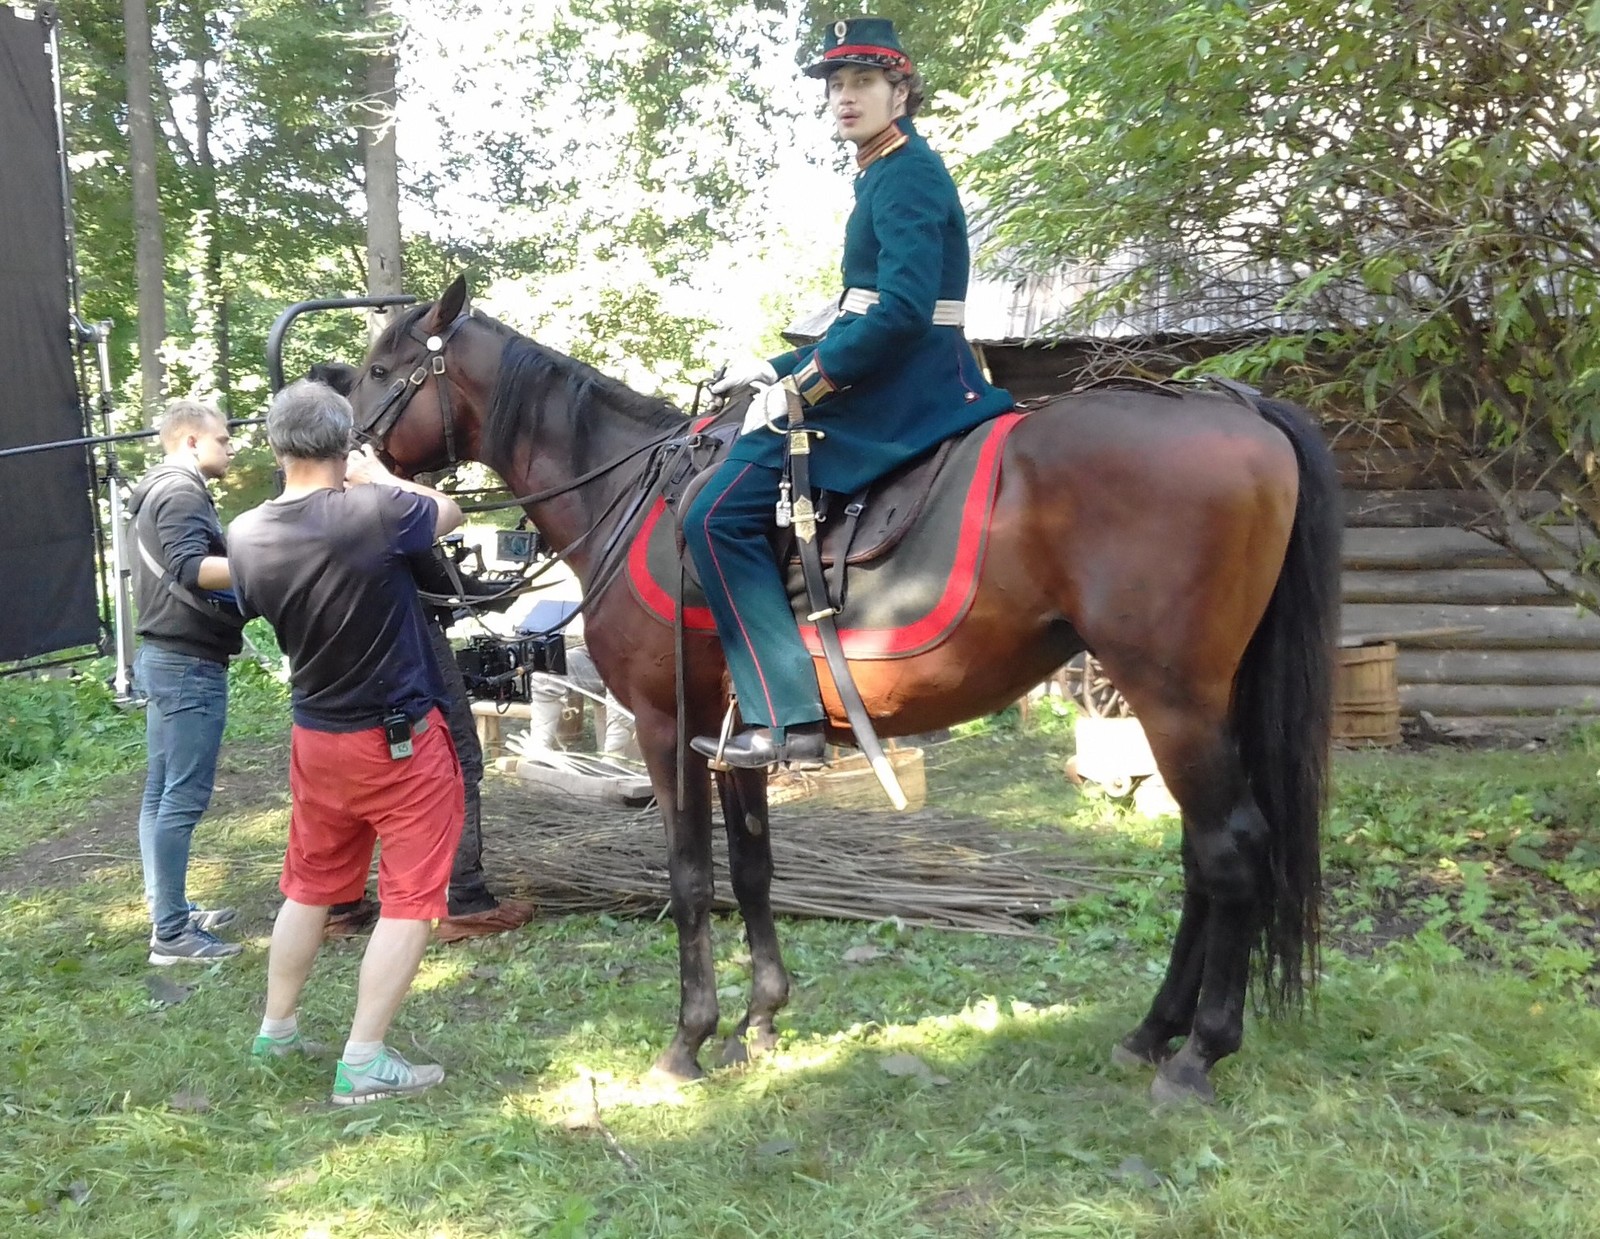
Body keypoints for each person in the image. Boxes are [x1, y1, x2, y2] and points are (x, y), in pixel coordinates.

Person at [685, 17, 1013, 769]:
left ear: (901, 90)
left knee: (712, 513)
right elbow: (861, 309)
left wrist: (804, 381)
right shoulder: (882, 169)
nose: (844, 97)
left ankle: (785, 716)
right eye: (835, 85)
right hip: (892, 364)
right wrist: (771, 367)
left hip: (907, 381)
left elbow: (899, 312)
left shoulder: (907, 173)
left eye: (862, 81)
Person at [228, 379, 465, 1104]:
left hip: (315, 737)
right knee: (410, 897)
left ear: (275, 445)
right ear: (343, 442)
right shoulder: (373, 509)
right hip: (396, 742)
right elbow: (447, 514)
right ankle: (363, 1060)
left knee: (309, 884)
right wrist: (379, 473)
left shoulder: (243, 532)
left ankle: (278, 1028)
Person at [305, 361, 535, 944]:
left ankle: (338, 903)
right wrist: (381, 475)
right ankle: (463, 898)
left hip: (325, 662)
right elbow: (433, 523)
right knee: (459, 755)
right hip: (400, 639)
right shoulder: (366, 490)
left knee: (340, 783)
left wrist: (472, 592)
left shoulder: (286, 511)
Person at [126, 399, 246, 965]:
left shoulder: (157, 488)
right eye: (223, 440)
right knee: (182, 798)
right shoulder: (179, 491)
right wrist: (265, 563)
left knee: (160, 793)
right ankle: (171, 934)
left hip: (166, 657)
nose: (231, 448)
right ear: (192, 441)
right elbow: (192, 569)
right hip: (187, 664)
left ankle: (166, 909)